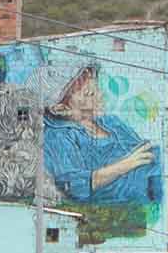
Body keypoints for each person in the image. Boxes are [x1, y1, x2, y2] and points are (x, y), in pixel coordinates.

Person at [43, 64, 161, 205]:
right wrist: (125, 165)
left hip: (149, 187)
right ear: (60, 107)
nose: (100, 96)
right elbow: (72, 186)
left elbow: (144, 153)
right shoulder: (57, 137)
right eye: (89, 94)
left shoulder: (111, 122)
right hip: (116, 204)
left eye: (97, 89)